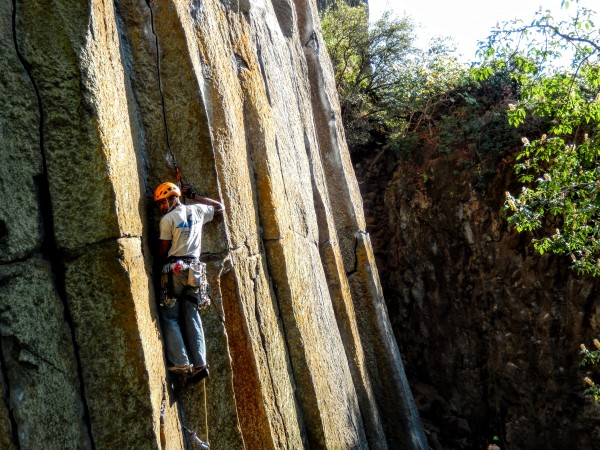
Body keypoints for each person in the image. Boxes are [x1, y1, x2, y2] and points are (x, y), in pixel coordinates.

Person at [153, 181, 224, 379]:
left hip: (174, 269)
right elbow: (220, 208)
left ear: (173, 198)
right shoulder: (198, 210)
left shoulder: (168, 220)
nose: (161, 207)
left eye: (162, 202)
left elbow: (163, 249)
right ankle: (200, 363)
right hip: (194, 270)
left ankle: (182, 363)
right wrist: (194, 196)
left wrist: (155, 269)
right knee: (192, 315)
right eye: (159, 204)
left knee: (170, 316)